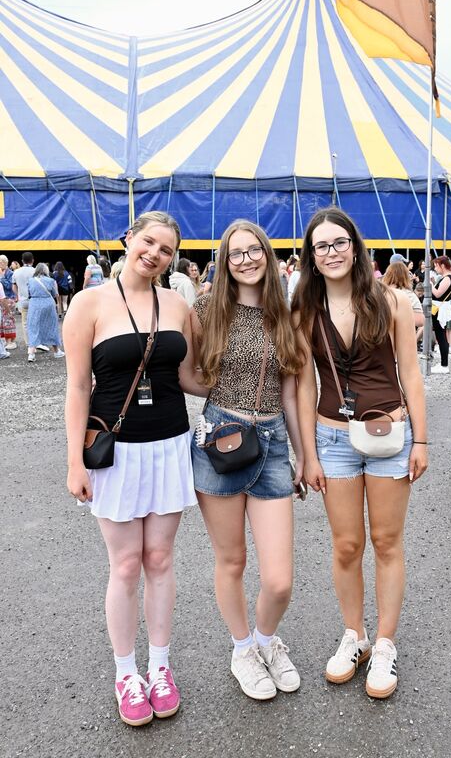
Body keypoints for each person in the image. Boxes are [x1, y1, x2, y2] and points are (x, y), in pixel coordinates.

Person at [64, 211, 206, 727]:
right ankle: (127, 674)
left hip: (170, 445)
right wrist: (74, 460)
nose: (155, 254)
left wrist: (247, 380)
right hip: (115, 450)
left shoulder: (176, 303)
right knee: (125, 565)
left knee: (161, 559)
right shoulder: (88, 303)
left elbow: (190, 378)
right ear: (129, 239)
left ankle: (160, 668)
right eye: (148, 242)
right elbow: (78, 386)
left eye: (166, 249)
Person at [292, 207, 428, 700]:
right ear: (310, 254)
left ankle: (386, 643)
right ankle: (355, 635)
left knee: (387, 543)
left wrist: (423, 438)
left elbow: (410, 373)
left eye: (339, 242)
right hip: (332, 439)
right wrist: (306, 453)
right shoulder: (304, 309)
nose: (331, 252)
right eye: (321, 245)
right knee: (347, 545)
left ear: (355, 246)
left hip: (390, 433)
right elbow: (304, 385)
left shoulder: (388, 300)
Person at [190, 220, 304, 702]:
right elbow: (185, 373)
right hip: (220, 438)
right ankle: (242, 650)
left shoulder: (286, 313)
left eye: (254, 250)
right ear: (224, 260)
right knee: (231, 559)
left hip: (274, 440)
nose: (246, 260)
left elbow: (293, 388)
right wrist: (218, 397)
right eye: (236, 254)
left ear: (268, 254)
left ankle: (264, 640)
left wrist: (304, 455)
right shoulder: (205, 309)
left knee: (279, 579)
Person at [26, 264, 64, 362]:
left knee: (33, 327)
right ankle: (56, 351)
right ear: (46, 270)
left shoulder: (30, 281)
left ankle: (31, 354)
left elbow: (29, 293)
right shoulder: (51, 281)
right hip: (48, 303)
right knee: (51, 326)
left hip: (34, 304)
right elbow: (56, 294)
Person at [430, 256, 451, 375]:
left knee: (441, 337)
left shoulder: (447, 278)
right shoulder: (446, 278)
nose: (435, 268)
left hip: (439, 309)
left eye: (436, 265)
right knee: (440, 336)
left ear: (442, 265)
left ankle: (444, 364)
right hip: (438, 308)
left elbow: (437, 294)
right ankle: (443, 363)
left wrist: (430, 284)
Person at [381, 262, 424, 328]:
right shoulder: (409, 294)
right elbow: (420, 320)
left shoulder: (380, 292)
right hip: (402, 332)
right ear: (405, 276)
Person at [12, 252, 35, 344]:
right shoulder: (35, 271)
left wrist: (18, 294)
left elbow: (13, 286)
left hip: (23, 300)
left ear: (22, 261)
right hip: (35, 300)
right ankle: (36, 342)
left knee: (25, 323)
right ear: (32, 260)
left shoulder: (16, 272)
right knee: (35, 321)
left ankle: (29, 343)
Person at [0, 255, 17, 349]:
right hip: (2, 299)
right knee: (3, 321)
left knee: (9, 320)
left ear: (4, 262)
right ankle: (6, 341)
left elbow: (10, 287)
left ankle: (10, 342)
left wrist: (2, 277)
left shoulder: (10, 273)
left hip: (9, 299)